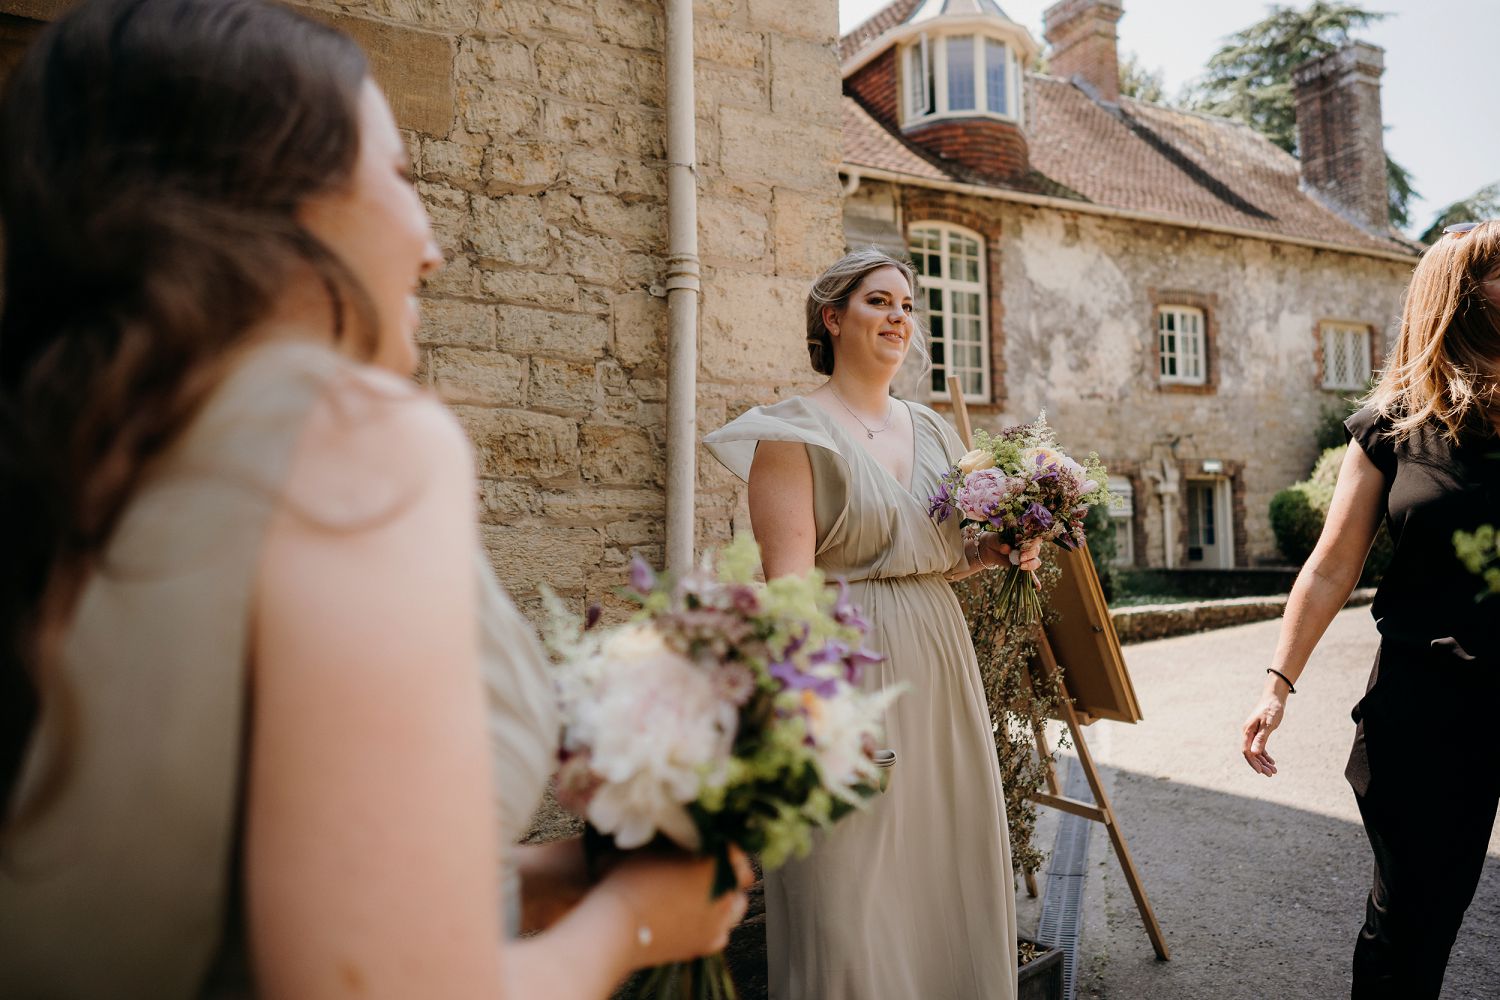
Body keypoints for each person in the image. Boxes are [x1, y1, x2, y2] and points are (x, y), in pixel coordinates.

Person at [0, 2, 748, 997]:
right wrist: (631, 926)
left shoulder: (76, 455)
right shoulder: (348, 435)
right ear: (275, 188)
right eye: (398, 175)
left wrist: (526, 881)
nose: (430, 243)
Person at [704, 248, 1041, 1000]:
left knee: (941, 870)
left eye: (908, 306)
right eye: (879, 302)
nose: (899, 318)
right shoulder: (792, 432)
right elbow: (787, 589)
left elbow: (944, 558)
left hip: (938, 664)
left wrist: (999, 550)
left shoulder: (936, 432)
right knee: (844, 890)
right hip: (842, 669)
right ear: (833, 317)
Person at [1240, 220, 1500, 999]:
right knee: (1409, 928)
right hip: (1428, 706)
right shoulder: (1392, 427)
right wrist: (1276, 683)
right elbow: (1329, 568)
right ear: (1463, 295)